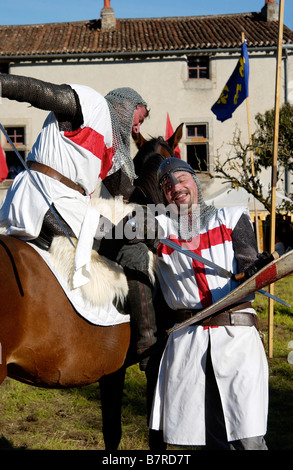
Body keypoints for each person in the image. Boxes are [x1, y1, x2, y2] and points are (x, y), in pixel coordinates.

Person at [0, 73, 157, 364]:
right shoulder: (91, 103)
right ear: (125, 103)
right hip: (55, 204)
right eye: (140, 117)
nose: (138, 127)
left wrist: (162, 213)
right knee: (134, 252)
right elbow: (38, 91)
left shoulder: (110, 150)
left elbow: (128, 191)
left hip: (44, 204)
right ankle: (148, 348)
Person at [149, 157, 269, 450]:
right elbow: (122, 227)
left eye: (181, 178)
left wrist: (255, 268)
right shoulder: (161, 228)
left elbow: (247, 258)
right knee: (202, 439)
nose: (175, 187)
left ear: (195, 182)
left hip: (236, 339)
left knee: (248, 438)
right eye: (166, 185)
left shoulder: (230, 217)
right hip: (189, 343)